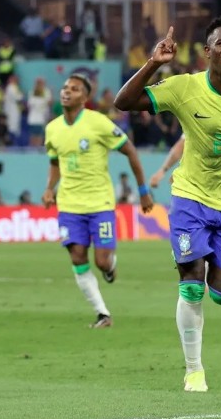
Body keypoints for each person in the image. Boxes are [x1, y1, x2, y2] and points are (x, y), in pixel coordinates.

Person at [114, 15, 221, 393]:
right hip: (191, 198)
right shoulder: (184, 87)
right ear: (207, 51)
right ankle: (194, 370)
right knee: (192, 286)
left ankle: (202, 261)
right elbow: (124, 102)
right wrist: (154, 63)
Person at [43, 73, 154, 328]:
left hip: (99, 203)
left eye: (74, 89)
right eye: (65, 87)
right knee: (77, 258)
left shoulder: (99, 123)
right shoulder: (52, 129)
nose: (67, 91)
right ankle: (103, 314)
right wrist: (49, 188)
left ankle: (110, 266)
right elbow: (55, 162)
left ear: (85, 97)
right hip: (69, 205)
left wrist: (143, 190)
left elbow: (130, 150)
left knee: (101, 262)